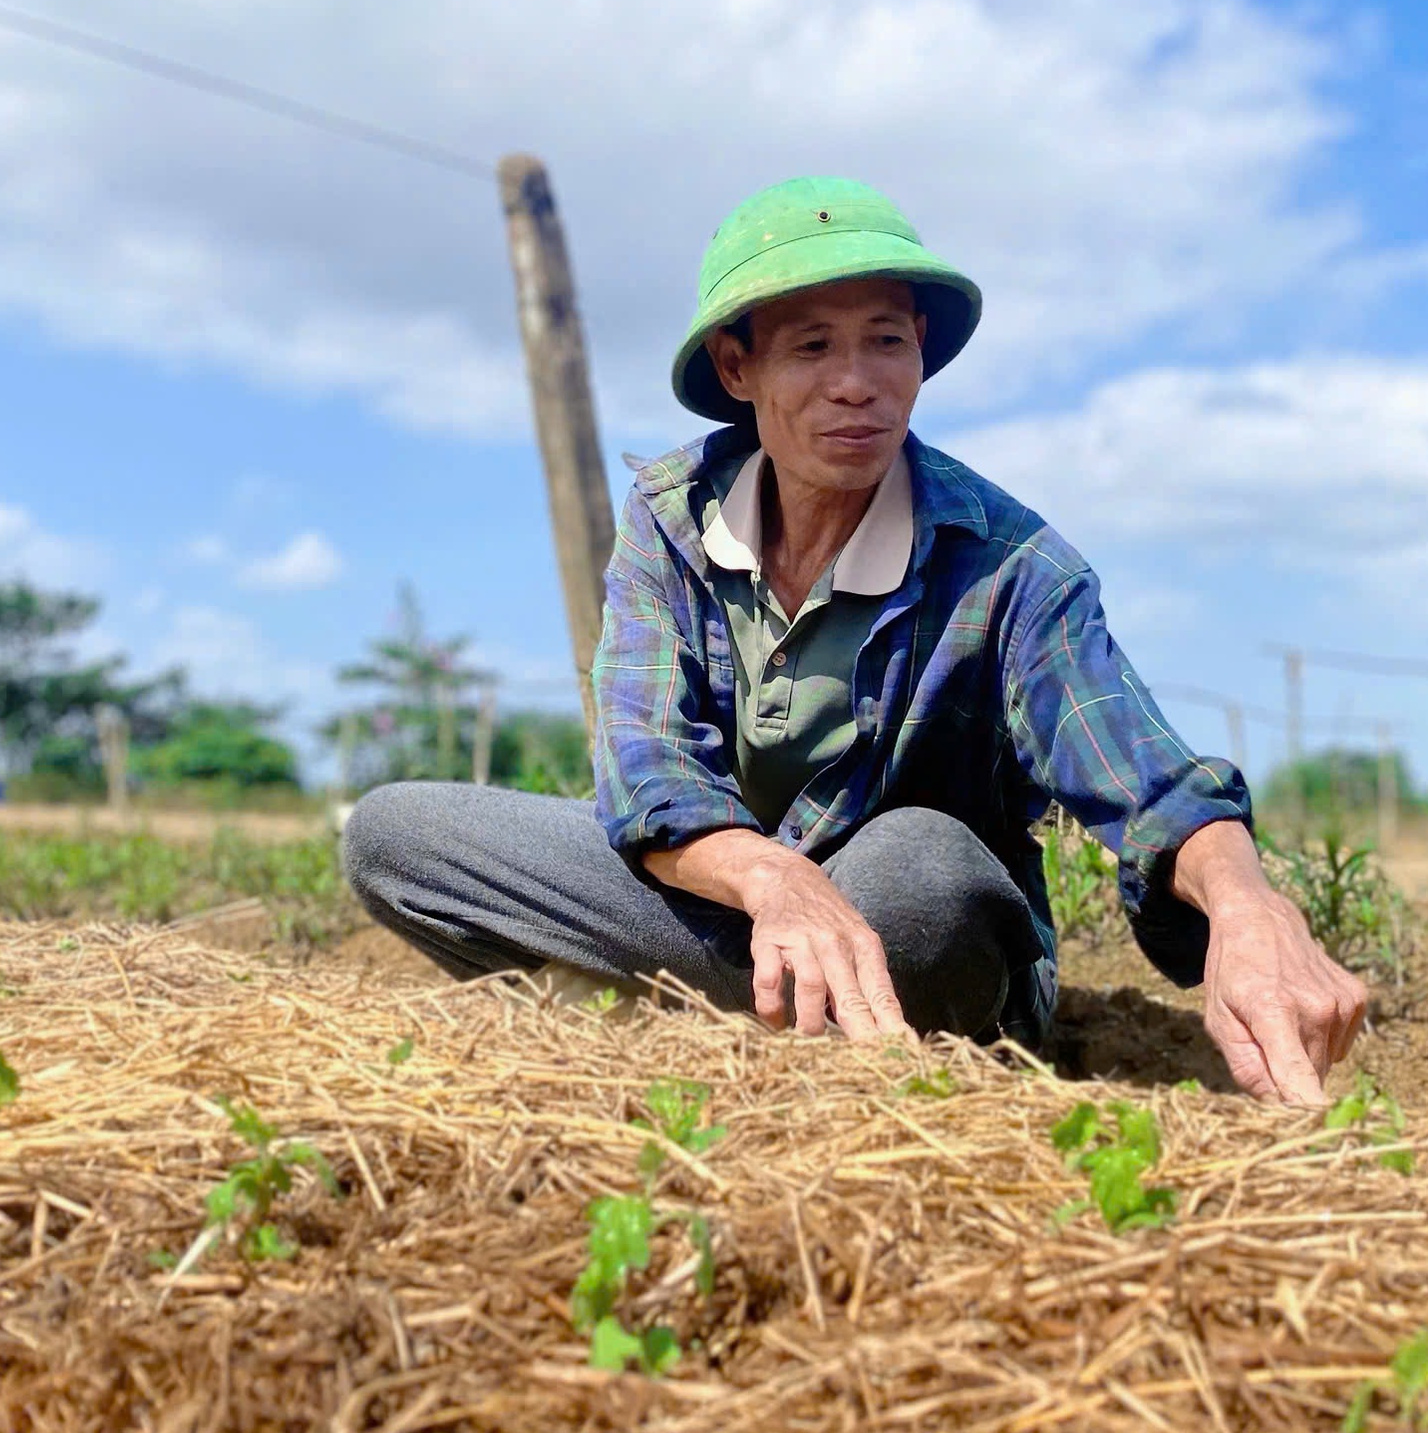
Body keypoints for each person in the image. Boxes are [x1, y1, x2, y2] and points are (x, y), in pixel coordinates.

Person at [345, 177, 1367, 1103]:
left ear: (921, 349)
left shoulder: (1010, 565)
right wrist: (772, 879)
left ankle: (670, 1014)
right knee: (395, 834)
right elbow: (648, 766)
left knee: (927, 868)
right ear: (738, 367)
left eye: (886, 340)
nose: (857, 383)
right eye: (812, 347)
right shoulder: (670, 517)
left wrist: (1246, 909)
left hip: (907, 942)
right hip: (734, 904)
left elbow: (1146, 778)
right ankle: (753, 1026)